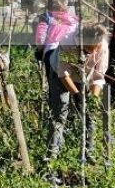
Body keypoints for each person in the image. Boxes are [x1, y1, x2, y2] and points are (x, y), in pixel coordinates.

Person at [45, 23, 110, 162]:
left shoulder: (103, 47)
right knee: (60, 110)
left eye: (95, 48)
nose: (92, 52)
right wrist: (76, 95)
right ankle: (52, 154)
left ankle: (89, 152)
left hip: (85, 76)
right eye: (88, 50)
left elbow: (98, 77)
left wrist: (92, 99)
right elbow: (64, 74)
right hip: (59, 74)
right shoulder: (67, 43)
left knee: (89, 113)